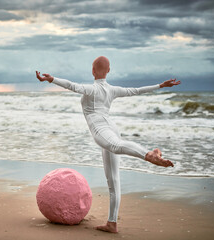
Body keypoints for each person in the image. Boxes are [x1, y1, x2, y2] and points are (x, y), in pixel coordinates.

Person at [35, 56, 181, 233]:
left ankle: (148, 154)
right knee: (113, 180)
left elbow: (72, 85)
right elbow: (135, 90)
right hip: (111, 126)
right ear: (109, 71)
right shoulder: (112, 89)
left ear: (92, 71)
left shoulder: (91, 89)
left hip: (101, 128)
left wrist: (51, 79)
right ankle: (112, 223)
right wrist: (160, 86)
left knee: (116, 146)